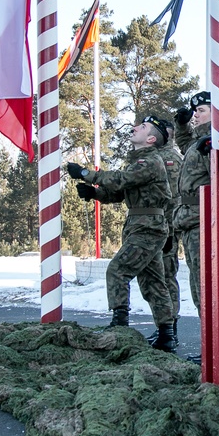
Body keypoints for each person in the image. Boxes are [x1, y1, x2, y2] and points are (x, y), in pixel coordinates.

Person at [66, 116, 177, 352]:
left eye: (143, 127)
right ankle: (166, 335)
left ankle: (120, 324)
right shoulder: (141, 161)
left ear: (150, 139)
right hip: (142, 224)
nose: (135, 127)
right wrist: (94, 193)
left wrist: (86, 173)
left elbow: (121, 180)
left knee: (118, 270)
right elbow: (120, 193)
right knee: (153, 282)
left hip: (147, 227)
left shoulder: (150, 161)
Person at [172, 91, 212, 316]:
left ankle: (214, 346)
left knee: (204, 282)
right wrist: (181, 124)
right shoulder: (198, 141)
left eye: (201, 111)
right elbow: (185, 142)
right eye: (195, 111)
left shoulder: (212, 142)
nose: (195, 115)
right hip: (190, 219)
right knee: (197, 283)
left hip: (202, 219)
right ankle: (208, 344)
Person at [145, 118, 183, 348]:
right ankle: (163, 328)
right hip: (154, 227)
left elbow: (172, 197)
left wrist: (169, 231)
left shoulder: (170, 159)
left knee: (166, 277)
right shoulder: (153, 157)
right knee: (156, 279)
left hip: (165, 229)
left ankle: (170, 330)